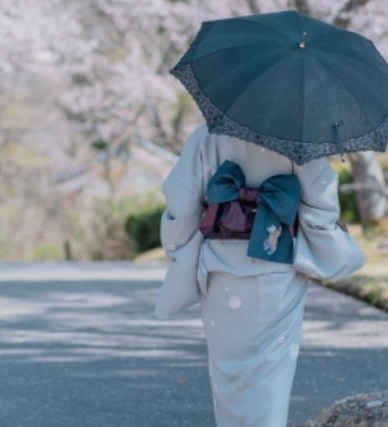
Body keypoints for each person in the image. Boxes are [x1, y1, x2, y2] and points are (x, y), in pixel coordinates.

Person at [154, 123, 365, 427]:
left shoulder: (206, 135)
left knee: (228, 374)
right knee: (271, 373)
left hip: (220, 269)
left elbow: (182, 204)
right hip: (278, 267)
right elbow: (320, 209)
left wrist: (178, 245)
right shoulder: (298, 139)